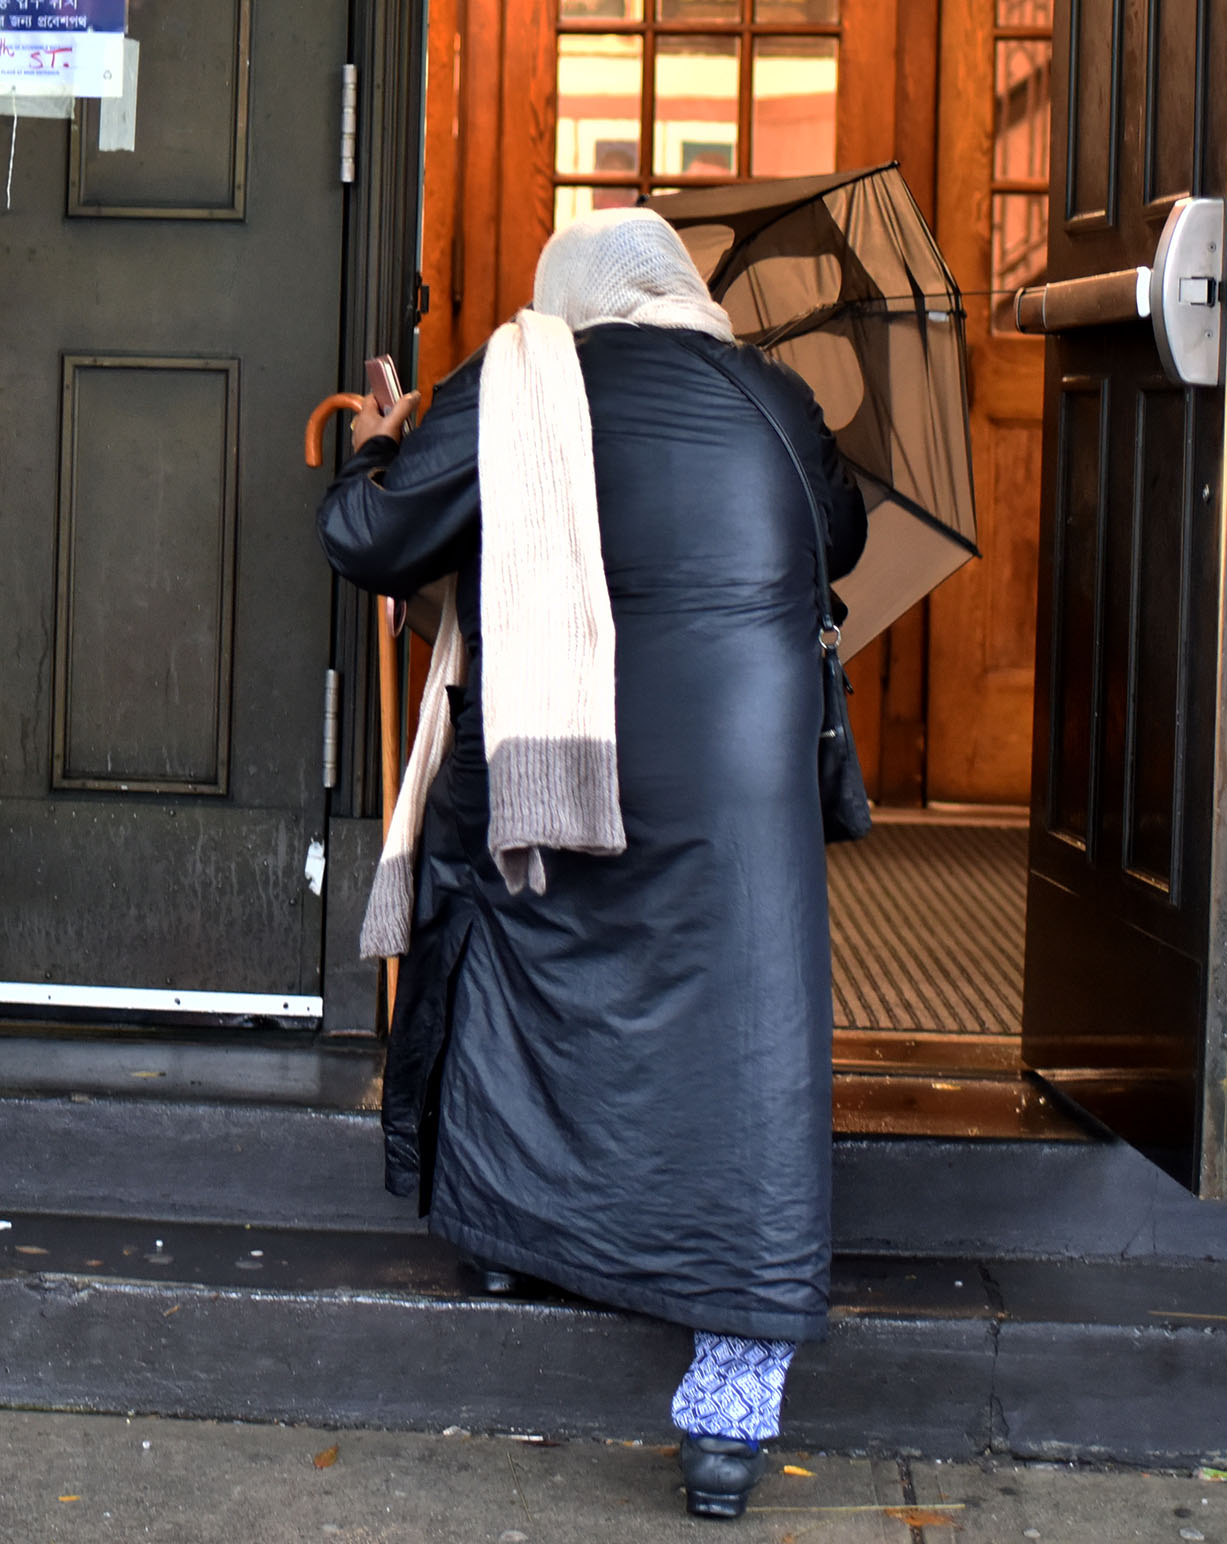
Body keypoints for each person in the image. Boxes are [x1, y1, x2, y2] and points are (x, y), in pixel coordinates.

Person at [319, 208, 865, 1523]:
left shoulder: (514, 381)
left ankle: (515, 1235)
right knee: (744, 1044)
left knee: (517, 947)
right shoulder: (776, 395)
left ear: (564, 291)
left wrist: (383, 446)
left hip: (562, 748)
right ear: (676, 286)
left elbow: (369, 538)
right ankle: (731, 1425)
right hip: (744, 770)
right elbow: (834, 545)